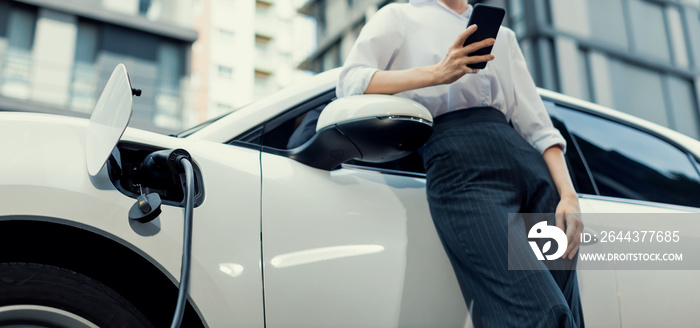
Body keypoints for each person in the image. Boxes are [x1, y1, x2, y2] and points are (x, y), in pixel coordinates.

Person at [336, 0, 585, 327]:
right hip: (462, 167)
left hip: (534, 176)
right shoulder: (400, 16)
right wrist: (438, 73)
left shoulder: (504, 37)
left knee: (566, 313)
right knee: (541, 313)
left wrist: (569, 194)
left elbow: (538, 126)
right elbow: (349, 82)